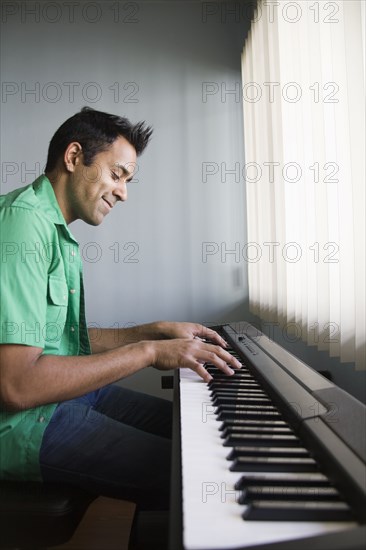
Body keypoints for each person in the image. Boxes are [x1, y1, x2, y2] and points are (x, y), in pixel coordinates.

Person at [0, 107, 241, 511]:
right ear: (74, 157)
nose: (124, 193)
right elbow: (17, 385)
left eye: (128, 180)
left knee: (199, 433)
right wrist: (147, 353)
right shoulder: (22, 226)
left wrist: (149, 332)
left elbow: (55, 343)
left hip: (61, 400)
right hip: (23, 426)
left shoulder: (53, 229)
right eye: (117, 175)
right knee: (207, 477)